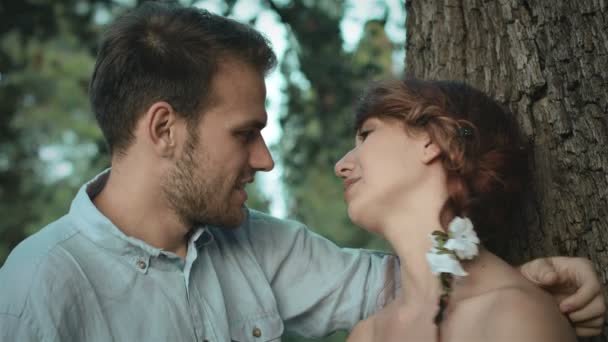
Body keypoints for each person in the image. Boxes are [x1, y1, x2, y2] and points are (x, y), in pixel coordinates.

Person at [0, 2, 604, 341]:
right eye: (245, 134)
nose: (264, 159)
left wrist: (530, 283)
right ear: (163, 129)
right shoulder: (39, 289)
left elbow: (423, 289)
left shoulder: (265, 247)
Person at [335, 79, 592, 341]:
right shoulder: (365, 335)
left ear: (431, 140)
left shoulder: (516, 318)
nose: (340, 165)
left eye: (366, 135)